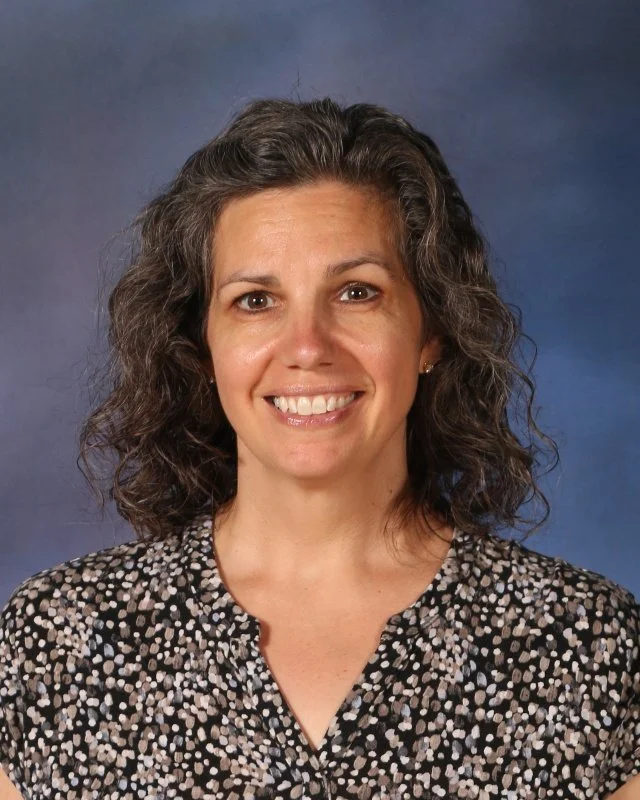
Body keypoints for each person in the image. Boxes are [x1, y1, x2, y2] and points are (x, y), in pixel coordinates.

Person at [0, 97, 638, 800]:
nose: (307, 347)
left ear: (431, 332)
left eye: (357, 292)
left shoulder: (586, 644)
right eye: (255, 301)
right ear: (202, 345)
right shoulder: (58, 642)